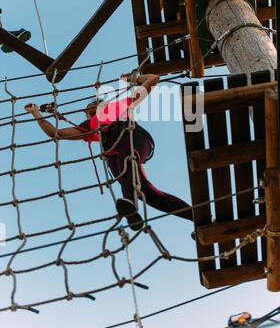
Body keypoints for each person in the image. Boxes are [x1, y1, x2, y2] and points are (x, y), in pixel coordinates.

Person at [24, 72, 194, 231]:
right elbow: (56, 133)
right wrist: (36, 113)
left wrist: (134, 78)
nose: (92, 108)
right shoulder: (89, 128)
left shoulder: (117, 107)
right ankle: (197, 217)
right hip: (115, 153)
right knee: (145, 192)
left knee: (127, 160)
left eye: (95, 105)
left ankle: (129, 202)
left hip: (133, 138)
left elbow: (154, 79)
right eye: (89, 109)